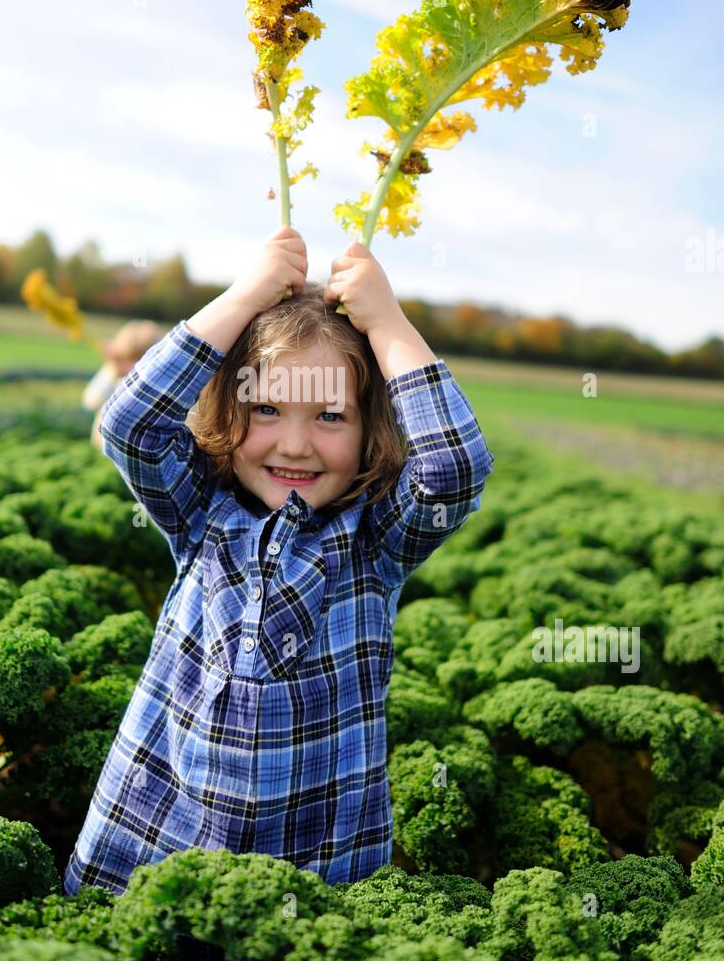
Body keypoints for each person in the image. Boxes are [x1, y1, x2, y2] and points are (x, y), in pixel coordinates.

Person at [63, 224, 495, 912]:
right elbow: (130, 423)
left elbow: (452, 469)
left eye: (330, 416)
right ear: (229, 409)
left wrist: (387, 322)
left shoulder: (373, 545)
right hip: (155, 832)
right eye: (265, 408)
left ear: (370, 430)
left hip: (313, 863)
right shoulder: (198, 512)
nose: (294, 443)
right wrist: (244, 296)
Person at [81, 321, 163, 450]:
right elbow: (91, 401)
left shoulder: (144, 384)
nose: (125, 366)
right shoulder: (113, 372)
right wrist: (111, 369)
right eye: (122, 358)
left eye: (134, 360)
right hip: (102, 447)